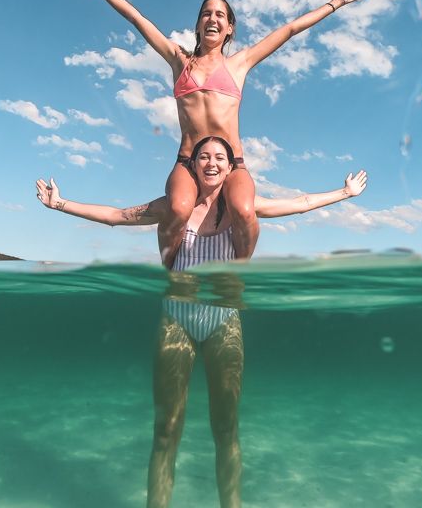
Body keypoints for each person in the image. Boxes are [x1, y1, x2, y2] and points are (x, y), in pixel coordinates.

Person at [36, 136, 368, 508]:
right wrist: (58, 203)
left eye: (219, 158)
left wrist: (344, 193)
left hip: (223, 322)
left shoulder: (241, 207)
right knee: (165, 431)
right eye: (204, 157)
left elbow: (301, 204)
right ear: (192, 166)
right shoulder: (172, 208)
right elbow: (117, 216)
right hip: (175, 323)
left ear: (230, 168)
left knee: (226, 431)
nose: (211, 163)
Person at [63, 0, 367, 267]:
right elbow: (136, 19)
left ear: (229, 28)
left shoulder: (240, 63)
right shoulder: (178, 60)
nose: (213, 18)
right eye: (206, 14)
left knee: (245, 209)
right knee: (179, 208)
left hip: (232, 164)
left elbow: (288, 30)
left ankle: (237, 272)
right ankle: (173, 271)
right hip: (188, 162)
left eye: (220, 15)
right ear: (197, 25)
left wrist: (335, 3)